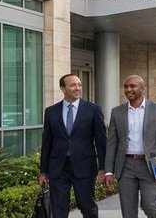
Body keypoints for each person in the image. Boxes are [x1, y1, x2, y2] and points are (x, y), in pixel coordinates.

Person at [104, 75, 156, 218]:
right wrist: (109, 171)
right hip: (125, 166)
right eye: (126, 86)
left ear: (142, 88)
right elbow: (112, 143)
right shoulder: (117, 112)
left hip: (150, 165)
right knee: (128, 210)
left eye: (132, 86)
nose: (128, 89)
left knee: (150, 205)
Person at [39, 73, 106, 218]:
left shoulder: (93, 110)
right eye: (73, 85)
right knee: (58, 209)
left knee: (87, 206)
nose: (78, 88)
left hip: (84, 167)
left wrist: (103, 168)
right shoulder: (51, 112)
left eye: (79, 85)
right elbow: (47, 142)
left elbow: (101, 141)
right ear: (63, 88)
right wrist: (43, 171)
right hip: (58, 168)